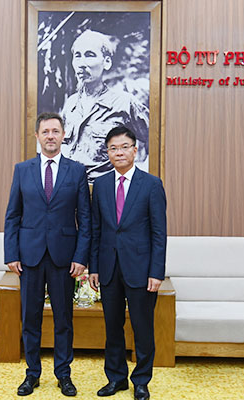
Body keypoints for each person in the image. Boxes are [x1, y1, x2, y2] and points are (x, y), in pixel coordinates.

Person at [4, 112, 91, 397]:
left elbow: (85, 219)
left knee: (63, 319)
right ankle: (32, 374)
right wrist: (11, 253)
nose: (50, 136)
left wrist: (81, 257)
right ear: (37, 136)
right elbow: (13, 215)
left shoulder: (77, 171)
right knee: (30, 318)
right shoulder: (22, 170)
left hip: (64, 258)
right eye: (45, 131)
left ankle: (63, 374)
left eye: (55, 131)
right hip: (29, 255)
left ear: (63, 135)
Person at [89, 125, 166, 400]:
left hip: (141, 270)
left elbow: (159, 233)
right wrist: (94, 267)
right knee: (112, 327)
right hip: (108, 268)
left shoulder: (152, 185)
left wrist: (157, 272)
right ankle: (116, 378)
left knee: (142, 328)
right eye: (113, 148)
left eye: (124, 147)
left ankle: (141, 381)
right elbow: (96, 229)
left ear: (135, 150)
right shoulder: (100, 185)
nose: (119, 152)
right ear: (107, 153)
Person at [61, 30, 149, 182]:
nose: (82, 64)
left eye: (90, 55)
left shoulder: (124, 103)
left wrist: (143, 179)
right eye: (77, 56)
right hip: (69, 189)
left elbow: (156, 138)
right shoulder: (71, 104)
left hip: (104, 191)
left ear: (106, 62)